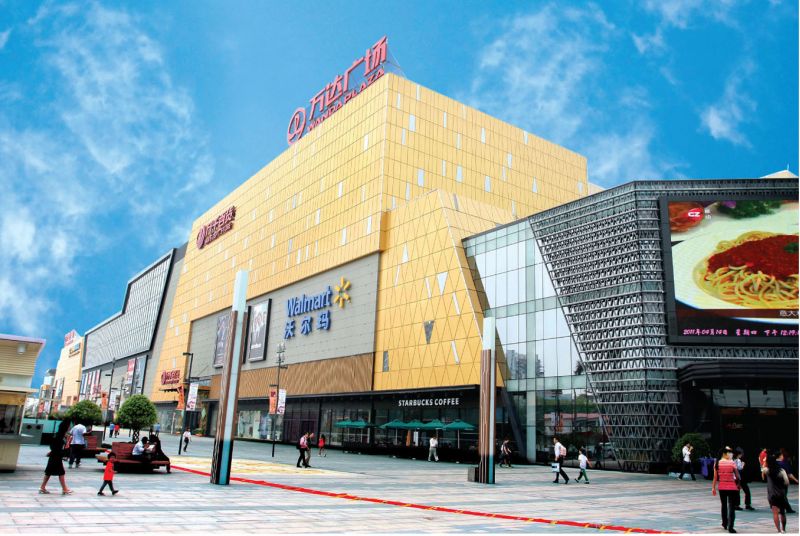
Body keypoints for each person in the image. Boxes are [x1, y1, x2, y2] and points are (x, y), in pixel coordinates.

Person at [712, 446, 741, 534]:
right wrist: (738, 484)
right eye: (729, 453)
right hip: (732, 487)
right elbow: (737, 476)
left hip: (722, 487)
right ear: (724, 454)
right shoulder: (732, 463)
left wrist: (713, 487)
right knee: (731, 507)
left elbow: (715, 477)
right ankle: (731, 526)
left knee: (723, 505)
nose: (730, 454)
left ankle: (725, 523)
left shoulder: (717, 463)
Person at [39, 420, 72, 495]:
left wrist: (52, 451)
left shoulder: (57, 434)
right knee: (61, 472)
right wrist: (68, 441)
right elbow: (63, 448)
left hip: (54, 455)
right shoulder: (61, 436)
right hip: (56, 456)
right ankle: (64, 489)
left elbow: (52, 445)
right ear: (65, 427)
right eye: (69, 426)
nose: (69, 428)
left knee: (49, 472)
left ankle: (42, 487)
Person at [767, 450, 790, 533]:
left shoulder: (767, 470)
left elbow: (763, 473)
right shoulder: (782, 471)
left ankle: (779, 530)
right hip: (781, 493)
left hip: (772, 494)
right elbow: (787, 482)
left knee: (775, 513)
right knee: (782, 512)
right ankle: (784, 529)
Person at [777, 449, 798, 514]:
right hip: (782, 482)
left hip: (775, 482)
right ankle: (786, 509)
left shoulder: (773, 463)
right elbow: (789, 474)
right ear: (781, 456)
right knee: (783, 496)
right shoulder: (784, 464)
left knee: (780, 496)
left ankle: (782, 508)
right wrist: (796, 480)